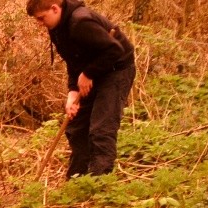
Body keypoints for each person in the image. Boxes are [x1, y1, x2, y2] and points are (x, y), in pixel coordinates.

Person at [26, 0, 135, 179]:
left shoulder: (80, 22)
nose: (40, 24)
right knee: (77, 127)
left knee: (101, 129)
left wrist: (88, 74)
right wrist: (72, 91)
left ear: (54, 8)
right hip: (93, 72)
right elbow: (73, 59)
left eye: (41, 18)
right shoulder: (56, 27)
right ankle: (77, 181)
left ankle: (99, 185)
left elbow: (115, 49)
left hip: (117, 70)